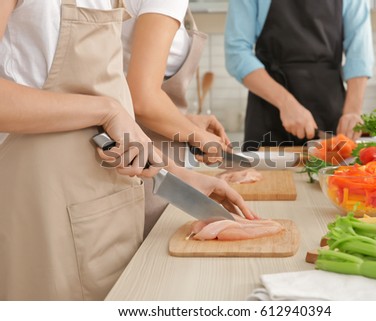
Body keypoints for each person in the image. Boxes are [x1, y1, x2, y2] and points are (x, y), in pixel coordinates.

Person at [0, 0, 254, 300]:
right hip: (40, 199)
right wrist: (106, 110)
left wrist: (176, 174)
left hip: (109, 203)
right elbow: (108, 105)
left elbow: (112, 97)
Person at [121, 0, 234, 234]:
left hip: (139, 149)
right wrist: (198, 136)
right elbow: (142, 98)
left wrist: (187, 121)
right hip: (140, 158)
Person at [225, 0, 374, 151]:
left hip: (330, 112)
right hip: (268, 112)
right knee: (261, 175)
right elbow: (236, 53)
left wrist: (352, 112)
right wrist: (285, 102)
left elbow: (359, 53)